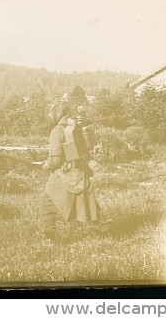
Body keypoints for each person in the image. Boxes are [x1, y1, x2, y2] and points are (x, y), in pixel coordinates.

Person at [40, 103, 109, 243]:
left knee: (46, 203)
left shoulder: (57, 130)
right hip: (80, 172)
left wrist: (46, 166)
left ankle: (49, 240)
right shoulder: (74, 127)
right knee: (87, 202)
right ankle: (107, 229)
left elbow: (55, 160)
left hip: (64, 175)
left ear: (55, 114)